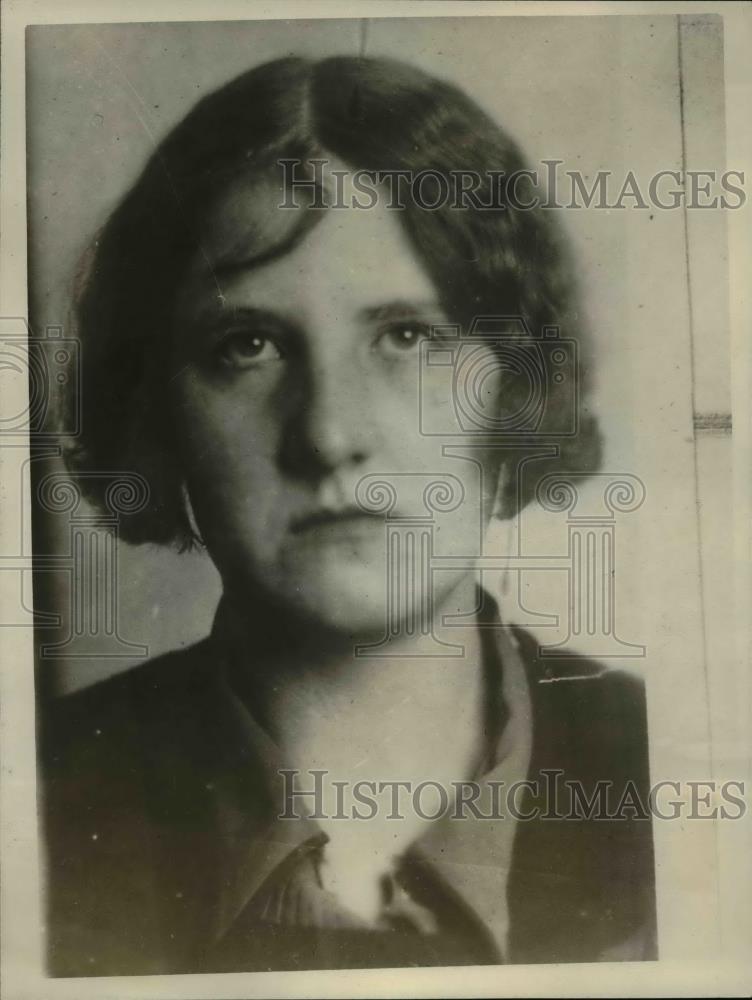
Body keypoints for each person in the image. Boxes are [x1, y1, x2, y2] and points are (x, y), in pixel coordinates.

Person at [41, 55, 656, 976]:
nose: (329, 435)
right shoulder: (39, 795)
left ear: (515, 387)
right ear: (154, 412)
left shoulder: (677, 764)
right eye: (245, 345)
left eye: (408, 336)